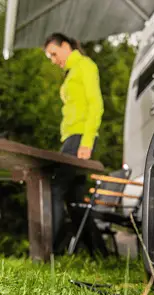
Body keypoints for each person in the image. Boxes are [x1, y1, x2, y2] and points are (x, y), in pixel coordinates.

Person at [43, 33, 105, 254]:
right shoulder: (71, 73)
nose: (52, 59)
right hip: (71, 138)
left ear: (66, 46)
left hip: (79, 138)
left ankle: (47, 252)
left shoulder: (84, 66)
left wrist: (86, 142)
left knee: (55, 189)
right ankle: (100, 254)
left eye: (53, 53)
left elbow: (96, 104)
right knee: (75, 199)